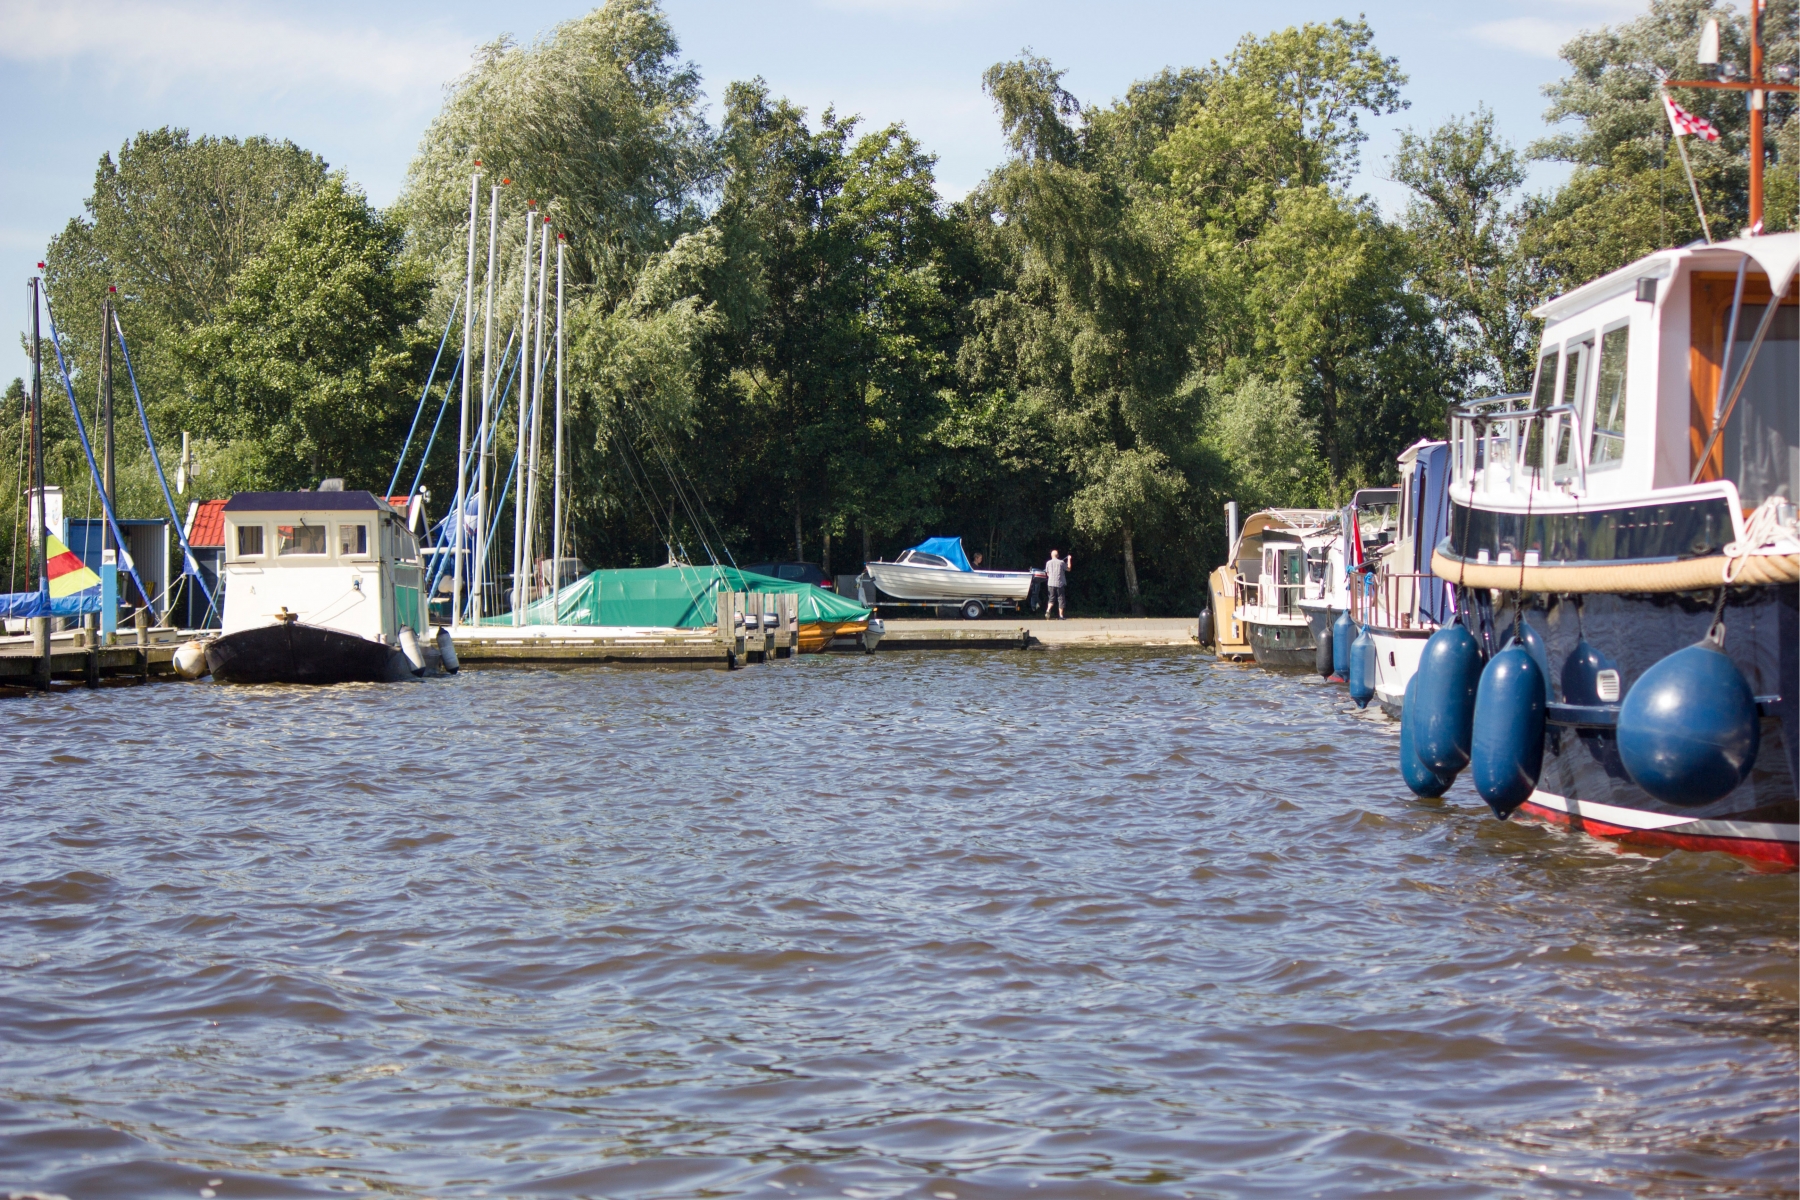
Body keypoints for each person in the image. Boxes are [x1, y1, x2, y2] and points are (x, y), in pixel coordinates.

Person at [1043, 549, 1071, 619]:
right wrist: (1069, 559)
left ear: (1051, 555)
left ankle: (1048, 609)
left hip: (1050, 583)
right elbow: (1069, 569)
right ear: (1057, 555)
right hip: (1060, 583)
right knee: (1061, 599)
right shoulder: (1061, 562)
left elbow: (1047, 573)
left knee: (1051, 598)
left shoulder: (1048, 563)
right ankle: (1061, 616)